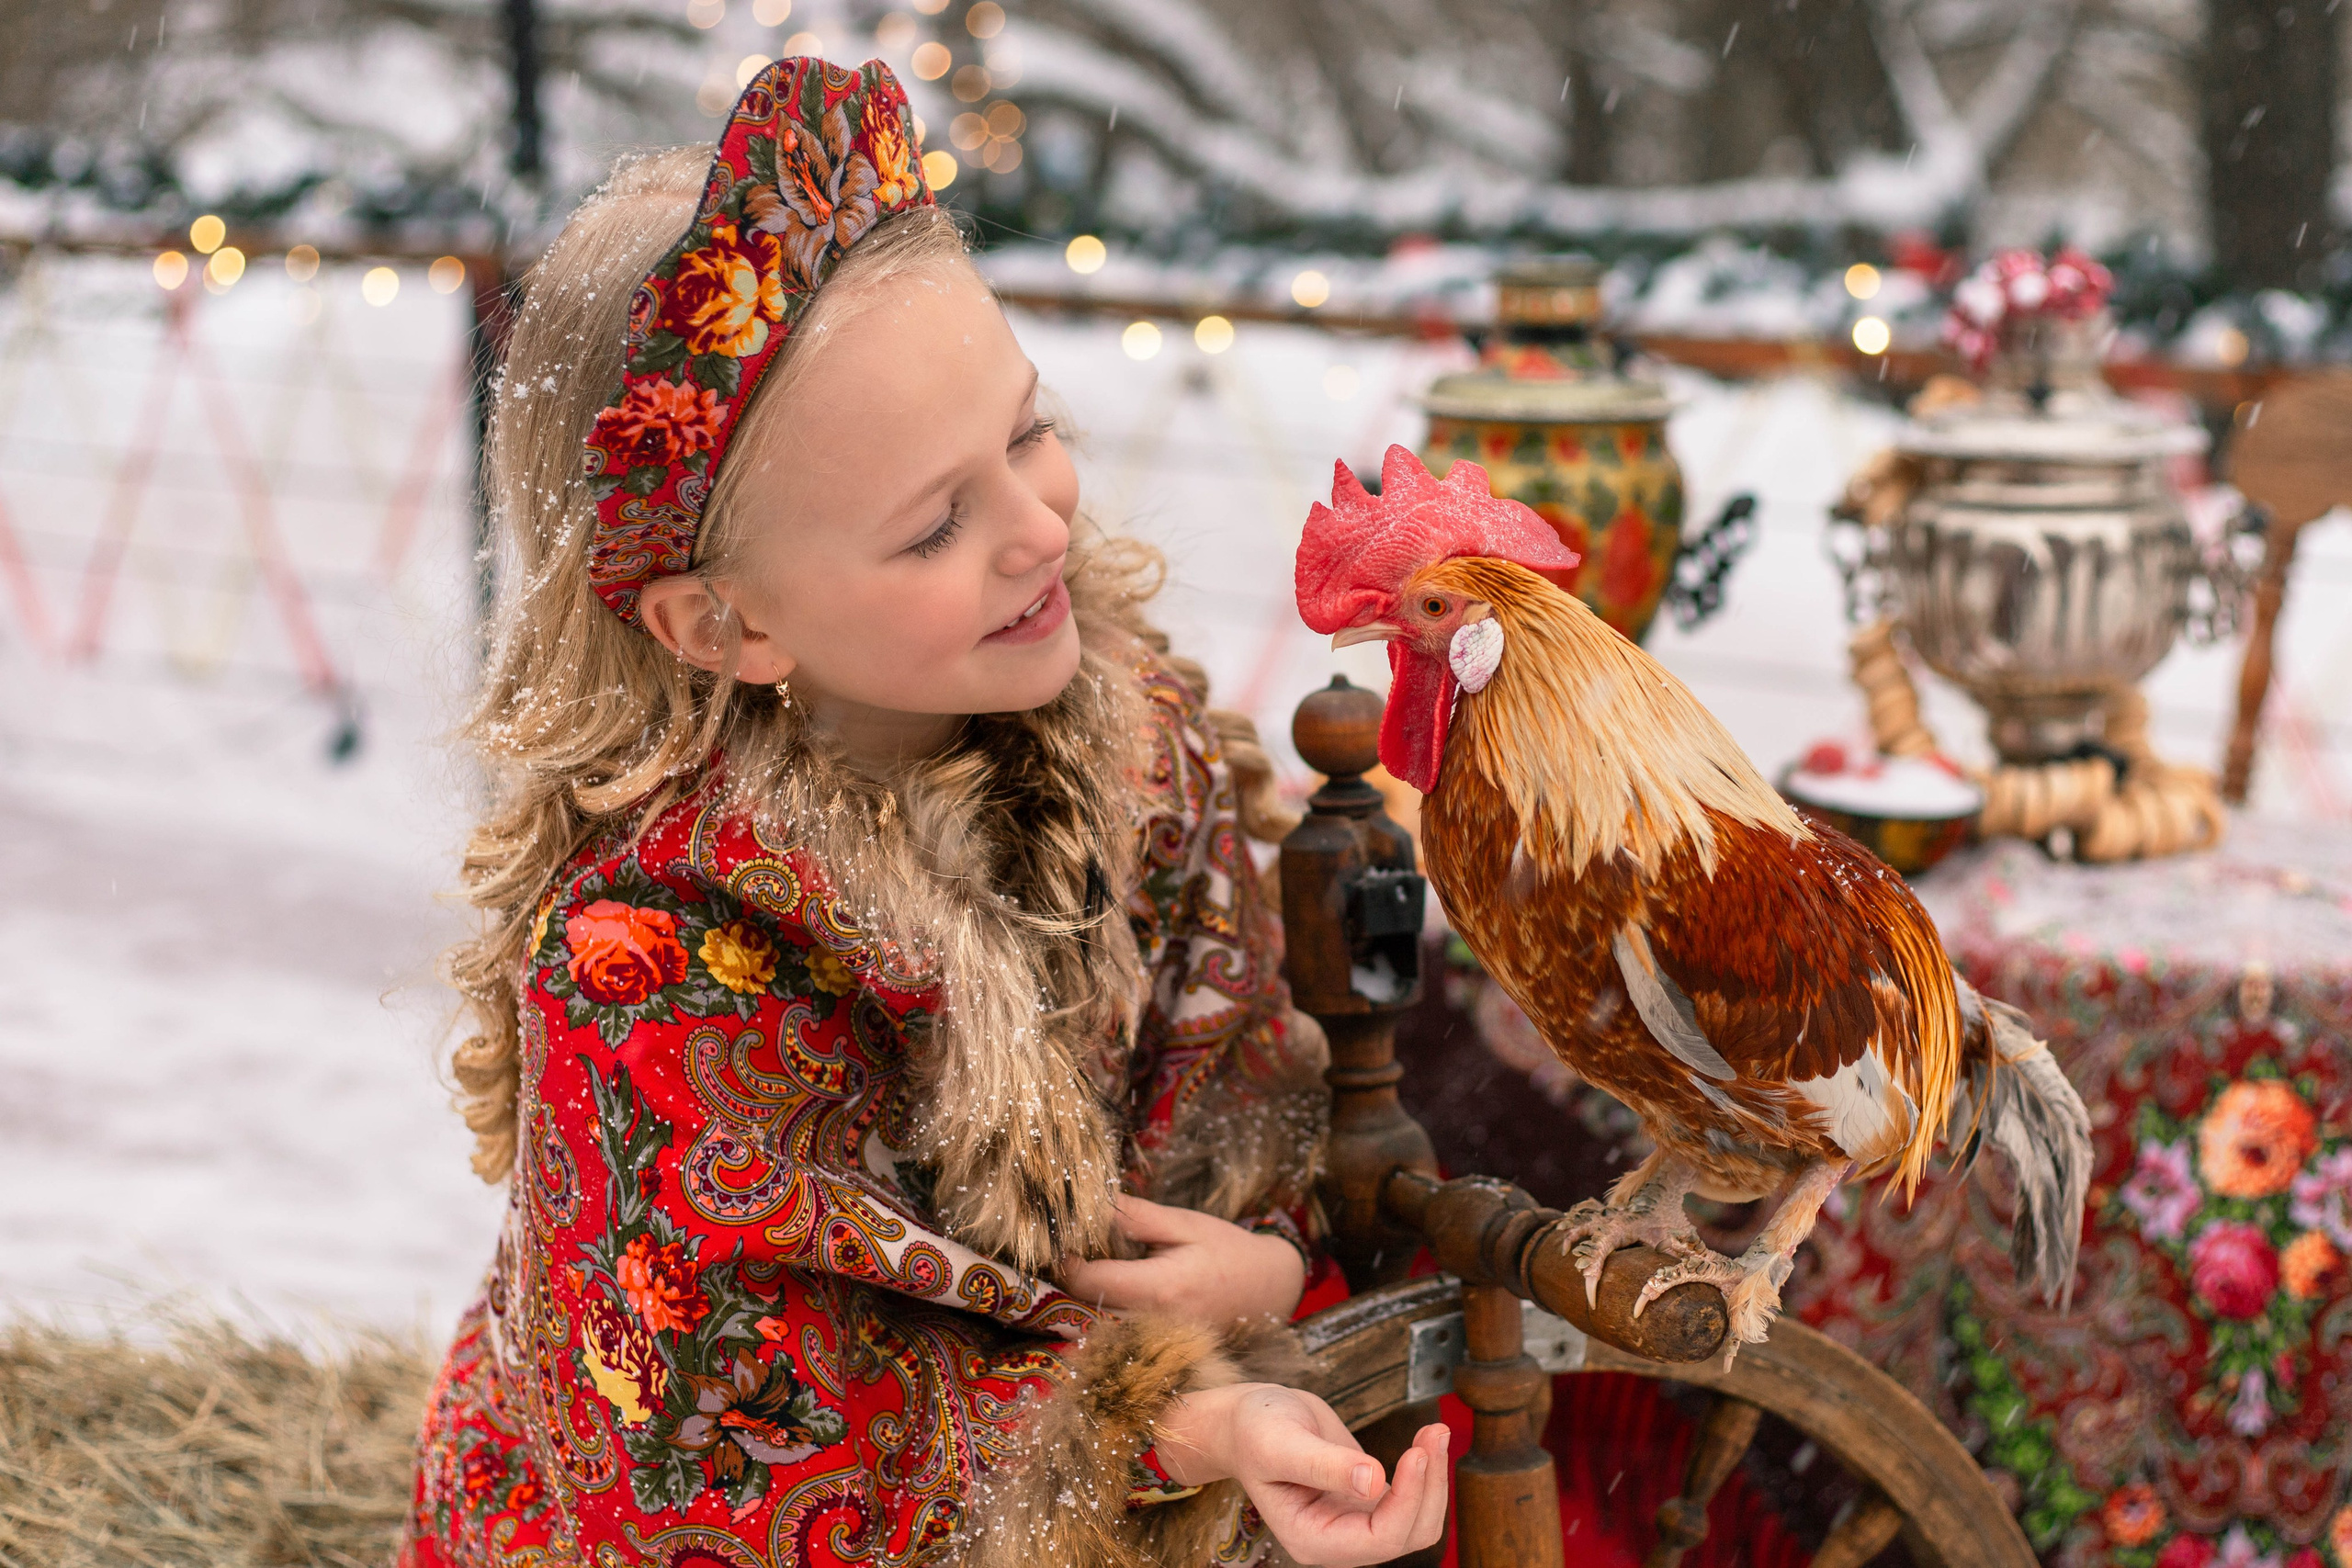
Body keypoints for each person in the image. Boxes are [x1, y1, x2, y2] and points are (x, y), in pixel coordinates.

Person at [399, 56, 1450, 1568]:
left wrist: (1266, 1266)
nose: (1040, 525)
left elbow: (1233, 1079)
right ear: (722, 627)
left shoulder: (1134, 754)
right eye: (936, 523)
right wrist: (1163, 1418)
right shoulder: (651, 958)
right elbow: (742, 1428)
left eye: (1027, 433)